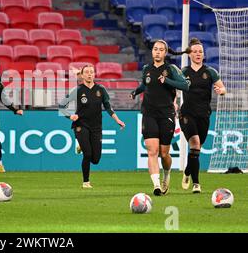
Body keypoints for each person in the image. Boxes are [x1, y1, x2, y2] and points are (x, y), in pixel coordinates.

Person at [130, 40, 189, 196]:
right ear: (152, 52)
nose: (157, 52)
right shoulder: (146, 69)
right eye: (155, 49)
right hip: (149, 113)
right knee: (152, 151)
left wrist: (167, 81)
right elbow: (145, 84)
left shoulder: (171, 69)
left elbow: (185, 85)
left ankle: (167, 174)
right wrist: (136, 92)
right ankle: (156, 185)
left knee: (164, 153)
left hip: (166, 115)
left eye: (161, 50)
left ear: (165, 53)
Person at [59, 65, 126, 188]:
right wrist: (70, 116)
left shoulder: (101, 89)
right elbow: (61, 106)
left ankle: (80, 145)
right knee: (87, 154)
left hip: (96, 127)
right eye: (87, 72)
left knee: (95, 159)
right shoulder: (77, 90)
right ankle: (86, 182)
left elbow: (108, 107)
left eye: (92, 72)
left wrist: (118, 120)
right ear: (83, 75)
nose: (90, 74)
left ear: (94, 74)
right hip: (81, 125)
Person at [179, 38, 226, 193]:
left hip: (203, 115)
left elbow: (222, 88)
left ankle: (187, 172)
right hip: (186, 114)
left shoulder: (210, 72)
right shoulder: (183, 72)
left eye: (200, 51)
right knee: (195, 143)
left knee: (196, 149)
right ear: (189, 54)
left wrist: (221, 91)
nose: (198, 54)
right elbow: (173, 88)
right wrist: (173, 101)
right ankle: (196, 184)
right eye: (195, 51)